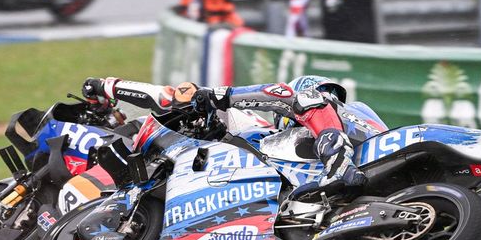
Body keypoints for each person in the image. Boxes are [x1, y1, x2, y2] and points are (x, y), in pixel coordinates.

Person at [81, 75, 389, 197]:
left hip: (351, 160)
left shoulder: (315, 105)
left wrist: (107, 85)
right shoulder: (265, 133)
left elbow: (165, 97)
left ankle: (337, 162)